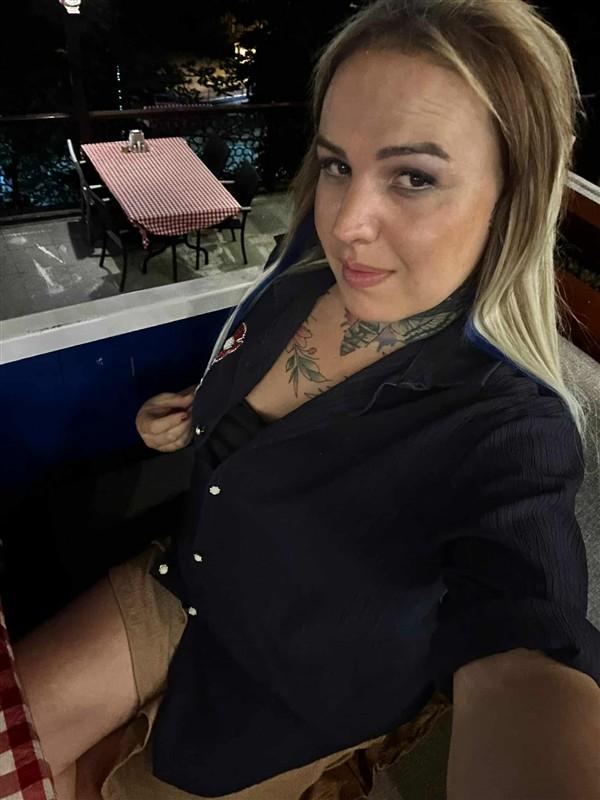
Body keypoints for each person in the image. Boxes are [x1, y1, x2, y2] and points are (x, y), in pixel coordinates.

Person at [14, 1, 600, 799]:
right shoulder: (300, 278)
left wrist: (534, 710)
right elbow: (255, 403)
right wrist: (192, 412)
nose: (347, 222)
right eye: (336, 166)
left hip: (287, 697)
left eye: (415, 177)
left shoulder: (509, 428)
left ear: (512, 196)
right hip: (188, 582)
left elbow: (525, 637)